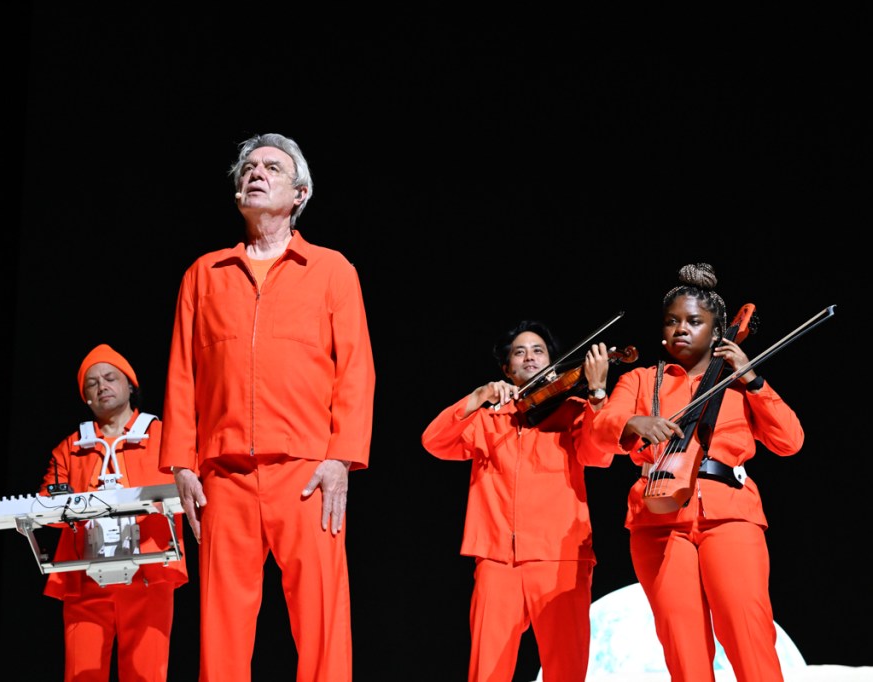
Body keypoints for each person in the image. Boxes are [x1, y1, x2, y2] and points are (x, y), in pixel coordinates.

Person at [160, 132, 376, 682]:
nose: (255, 173)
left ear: (299, 192)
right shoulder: (203, 275)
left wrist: (341, 459)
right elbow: (183, 374)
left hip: (307, 473)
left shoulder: (332, 270)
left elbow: (356, 371)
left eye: (272, 168)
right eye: (248, 168)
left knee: (323, 624)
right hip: (223, 476)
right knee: (222, 631)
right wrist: (182, 463)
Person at [591, 263, 805, 682]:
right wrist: (634, 424)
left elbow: (790, 440)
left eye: (694, 321)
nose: (681, 329)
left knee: (747, 632)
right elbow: (601, 431)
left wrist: (754, 379)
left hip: (730, 515)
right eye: (672, 321)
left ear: (719, 331)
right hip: (659, 521)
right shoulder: (639, 380)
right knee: (682, 643)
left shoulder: (739, 384)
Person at [421, 319, 617, 682]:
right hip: (497, 561)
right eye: (519, 352)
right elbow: (434, 441)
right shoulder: (488, 421)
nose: (529, 356)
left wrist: (597, 396)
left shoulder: (574, 411)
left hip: (560, 558)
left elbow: (598, 455)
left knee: (566, 671)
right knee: (487, 672)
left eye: (538, 350)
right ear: (506, 369)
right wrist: (477, 398)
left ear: (554, 365)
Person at [40, 343, 188, 682]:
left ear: (129, 386)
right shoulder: (70, 447)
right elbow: (44, 505)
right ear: (85, 397)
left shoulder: (166, 436)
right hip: (85, 579)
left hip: (150, 575)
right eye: (92, 383)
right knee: (81, 674)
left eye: (110, 378)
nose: (102, 386)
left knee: (147, 674)